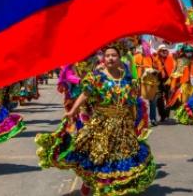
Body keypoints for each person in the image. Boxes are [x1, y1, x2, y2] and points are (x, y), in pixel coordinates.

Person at [36, 44, 156, 196]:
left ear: (119, 58)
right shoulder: (96, 78)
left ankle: (115, 187)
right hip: (101, 124)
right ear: (103, 59)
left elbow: (139, 98)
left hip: (123, 126)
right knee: (97, 157)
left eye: (114, 55)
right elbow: (85, 94)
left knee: (119, 158)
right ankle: (90, 183)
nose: (110, 58)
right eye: (107, 56)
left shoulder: (127, 79)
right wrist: (73, 111)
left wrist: (149, 81)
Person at [153, 44, 175, 122]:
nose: (164, 51)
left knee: (169, 98)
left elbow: (173, 72)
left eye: (165, 50)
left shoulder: (170, 58)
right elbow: (154, 70)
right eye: (162, 50)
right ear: (159, 51)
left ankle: (167, 115)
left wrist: (173, 84)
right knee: (159, 98)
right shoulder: (156, 59)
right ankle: (162, 115)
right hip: (159, 80)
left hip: (168, 80)